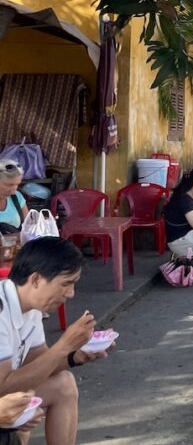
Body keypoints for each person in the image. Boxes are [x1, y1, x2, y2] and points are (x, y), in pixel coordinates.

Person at [0, 237, 110, 445]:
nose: (71, 293)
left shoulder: (30, 308)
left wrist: (75, 355)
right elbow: (3, 386)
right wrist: (63, 346)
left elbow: (40, 362)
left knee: (63, 384)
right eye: (66, 284)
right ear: (35, 280)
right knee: (21, 402)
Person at [0, 161, 29, 236]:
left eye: (17, 185)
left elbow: (28, 227)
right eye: (9, 185)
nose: (13, 191)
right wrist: (19, 235)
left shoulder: (16, 197)